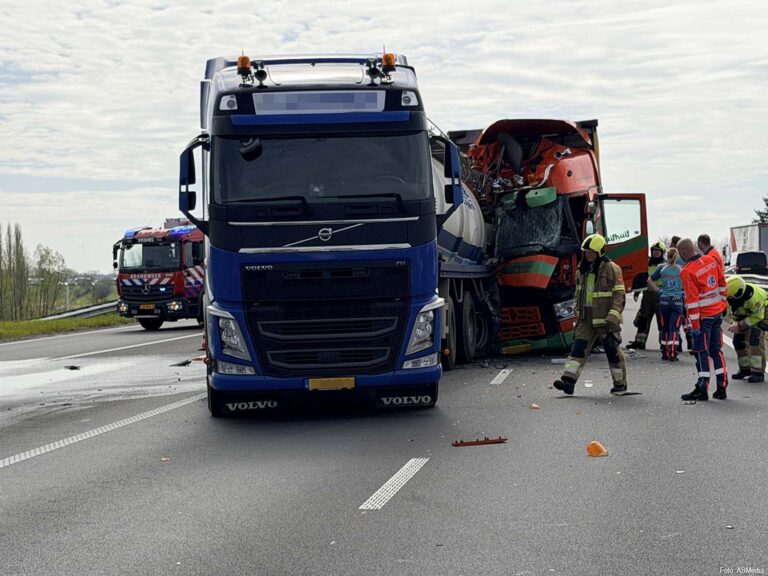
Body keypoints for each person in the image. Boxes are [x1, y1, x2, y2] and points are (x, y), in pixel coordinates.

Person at [554, 234, 628, 395]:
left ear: (600, 252)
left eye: (591, 252)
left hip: (606, 320)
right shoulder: (582, 269)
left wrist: (613, 317)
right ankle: (568, 382)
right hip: (586, 319)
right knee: (578, 349)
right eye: (586, 252)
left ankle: (620, 384)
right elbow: (579, 293)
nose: (588, 255)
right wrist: (577, 313)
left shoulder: (612, 269)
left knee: (612, 352)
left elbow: (619, 296)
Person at [677, 238, 728, 401]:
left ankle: (702, 387)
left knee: (701, 352)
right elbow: (722, 283)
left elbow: (692, 301)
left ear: (683, 252)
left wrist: (695, 325)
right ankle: (722, 387)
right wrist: (723, 302)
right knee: (716, 350)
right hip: (717, 313)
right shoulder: (711, 260)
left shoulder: (687, 271)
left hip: (703, 317)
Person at [726, 276, 767, 383]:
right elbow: (732, 313)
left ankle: (758, 372)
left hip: (763, 313)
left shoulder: (754, 298)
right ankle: (745, 369)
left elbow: (757, 317)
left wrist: (739, 325)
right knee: (738, 342)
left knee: (755, 339)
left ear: (738, 294)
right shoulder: (731, 296)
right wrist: (735, 323)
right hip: (746, 314)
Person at [626, 241, 666, 350]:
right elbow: (641, 279)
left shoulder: (665, 265)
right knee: (643, 319)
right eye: (654, 251)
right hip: (647, 296)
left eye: (658, 251)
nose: (656, 253)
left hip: (660, 295)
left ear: (662, 252)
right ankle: (639, 342)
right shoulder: (646, 264)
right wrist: (637, 292)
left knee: (662, 321)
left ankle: (665, 344)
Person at [648, 247, 684, 361]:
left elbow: (649, 281)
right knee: (675, 328)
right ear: (677, 257)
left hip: (664, 300)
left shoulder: (662, 268)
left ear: (666, 256)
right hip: (677, 301)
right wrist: (683, 292)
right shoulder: (681, 269)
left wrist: (658, 291)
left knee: (665, 327)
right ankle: (673, 352)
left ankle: (664, 352)